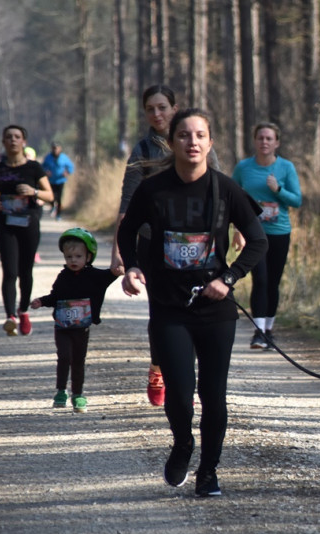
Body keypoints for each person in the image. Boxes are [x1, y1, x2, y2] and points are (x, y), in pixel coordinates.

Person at [117, 108, 267, 497]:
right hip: (169, 308)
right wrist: (132, 267)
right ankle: (183, 444)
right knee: (181, 395)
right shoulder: (154, 189)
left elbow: (259, 240)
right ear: (174, 143)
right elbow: (128, 229)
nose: (193, 142)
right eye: (185, 135)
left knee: (213, 397)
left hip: (215, 309)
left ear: (210, 142)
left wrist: (229, 278)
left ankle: (209, 471)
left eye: (200, 135)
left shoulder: (225, 188)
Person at [110, 84, 227, 407]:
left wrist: (236, 227)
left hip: (198, 242)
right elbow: (128, 201)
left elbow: (220, 190)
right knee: (162, 311)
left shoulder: (197, 141)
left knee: (199, 308)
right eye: (151, 109)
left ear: (174, 109)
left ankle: (194, 371)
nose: (157, 114)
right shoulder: (144, 151)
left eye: (163, 107)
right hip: (154, 244)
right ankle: (159, 366)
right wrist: (119, 250)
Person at [29, 228, 118, 413]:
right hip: (62, 327)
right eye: (69, 257)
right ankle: (61, 391)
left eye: (78, 256)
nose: (73, 260)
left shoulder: (95, 276)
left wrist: (120, 269)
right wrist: (42, 301)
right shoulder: (63, 276)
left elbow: (111, 274)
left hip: (81, 329)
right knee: (64, 356)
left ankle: (78, 394)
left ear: (88, 256)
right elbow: (55, 296)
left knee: (78, 360)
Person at [231, 122, 303, 349]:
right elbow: (232, 199)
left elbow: (297, 201)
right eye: (260, 138)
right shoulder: (244, 168)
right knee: (259, 280)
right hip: (254, 234)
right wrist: (237, 230)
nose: (264, 142)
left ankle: (268, 330)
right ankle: (258, 332)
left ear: (277, 143)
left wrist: (277, 190)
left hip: (279, 232)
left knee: (273, 282)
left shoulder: (286, 168)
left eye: (269, 139)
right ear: (254, 141)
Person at [0, 124, 55, 337]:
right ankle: (10, 317)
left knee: (25, 272)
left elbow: (50, 196)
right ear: (3, 142)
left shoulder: (33, 168)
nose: (13, 140)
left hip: (29, 224)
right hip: (6, 224)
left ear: (24, 141)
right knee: (10, 271)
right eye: (9, 137)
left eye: (17, 137)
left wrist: (34, 191)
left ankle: (23, 310)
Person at [41, 142, 75, 220]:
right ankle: (52, 206)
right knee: (51, 196)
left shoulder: (64, 157)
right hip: (51, 180)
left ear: (60, 149)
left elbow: (70, 166)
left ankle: (58, 215)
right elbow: (42, 166)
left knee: (59, 198)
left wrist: (67, 172)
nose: (55, 150)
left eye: (56, 148)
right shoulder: (48, 157)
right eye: (53, 148)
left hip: (60, 180)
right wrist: (46, 171)